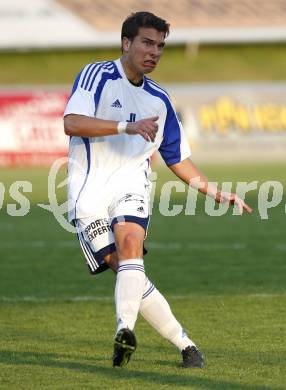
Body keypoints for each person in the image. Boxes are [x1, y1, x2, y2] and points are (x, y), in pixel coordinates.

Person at [63, 11, 252, 369]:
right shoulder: (96, 75)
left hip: (131, 184)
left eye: (160, 46)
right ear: (126, 43)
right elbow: (71, 123)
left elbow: (176, 158)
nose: (154, 52)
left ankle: (124, 329)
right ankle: (186, 345)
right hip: (87, 191)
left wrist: (214, 191)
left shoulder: (159, 100)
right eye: (147, 43)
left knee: (131, 245)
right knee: (125, 269)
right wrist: (125, 127)